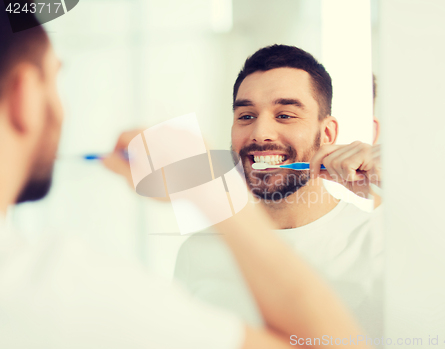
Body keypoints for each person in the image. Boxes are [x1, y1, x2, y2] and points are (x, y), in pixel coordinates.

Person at [0, 9, 371, 349]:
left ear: (329, 132)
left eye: (286, 115)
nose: (261, 133)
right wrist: (216, 196)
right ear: (26, 95)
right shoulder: (62, 286)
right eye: (245, 116)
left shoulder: (380, 242)